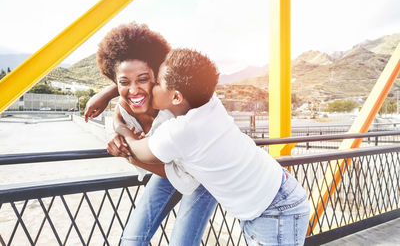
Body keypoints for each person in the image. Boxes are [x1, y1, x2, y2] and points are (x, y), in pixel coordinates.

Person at [116, 48, 310, 246]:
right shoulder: (209, 101)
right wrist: (112, 92)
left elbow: (137, 149)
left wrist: (120, 127)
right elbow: (189, 71)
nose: (150, 86)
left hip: (276, 211)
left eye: (156, 82)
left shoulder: (179, 132)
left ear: (176, 97)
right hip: (274, 197)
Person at [86, 23, 217, 246]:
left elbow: (185, 177)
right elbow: (125, 93)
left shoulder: (175, 107)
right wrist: (112, 103)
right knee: (131, 241)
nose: (134, 90)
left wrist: (128, 150)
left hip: (201, 174)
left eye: (143, 79)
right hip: (167, 171)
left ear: (157, 76)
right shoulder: (123, 110)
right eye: (124, 82)